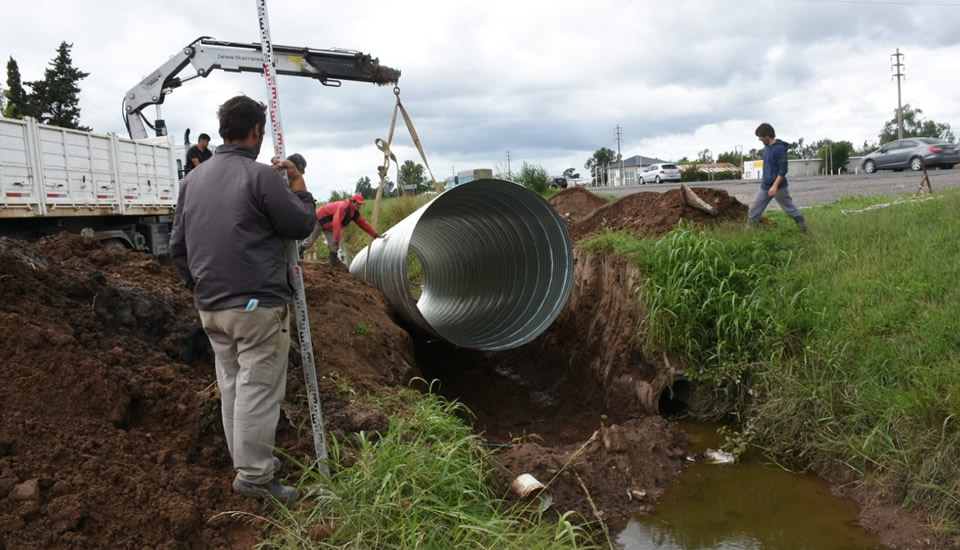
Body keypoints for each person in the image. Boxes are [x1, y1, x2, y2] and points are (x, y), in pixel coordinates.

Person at [169, 95, 317, 503]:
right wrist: (299, 187)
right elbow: (300, 225)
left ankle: (246, 461)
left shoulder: (191, 181)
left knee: (233, 383)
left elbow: (177, 246)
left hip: (210, 306)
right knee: (259, 388)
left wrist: (199, 287)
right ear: (256, 131)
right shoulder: (261, 176)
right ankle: (254, 475)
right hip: (255, 305)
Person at [748, 123, 809, 233]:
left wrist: (775, 186)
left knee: (792, 211)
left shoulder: (779, 149)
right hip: (765, 186)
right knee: (753, 212)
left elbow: (783, 170)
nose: (759, 139)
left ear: (768, 135)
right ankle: (747, 238)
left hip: (779, 187)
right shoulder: (766, 148)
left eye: (761, 137)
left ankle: (806, 231)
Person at [302, 193, 381, 267]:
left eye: (360, 204)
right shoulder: (343, 207)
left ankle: (332, 268)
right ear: (352, 202)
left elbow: (363, 223)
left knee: (333, 247)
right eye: (357, 203)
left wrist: (375, 235)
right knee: (309, 242)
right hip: (319, 220)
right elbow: (337, 223)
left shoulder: (354, 212)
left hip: (329, 226)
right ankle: (296, 257)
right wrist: (337, 241)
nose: (359, 206)